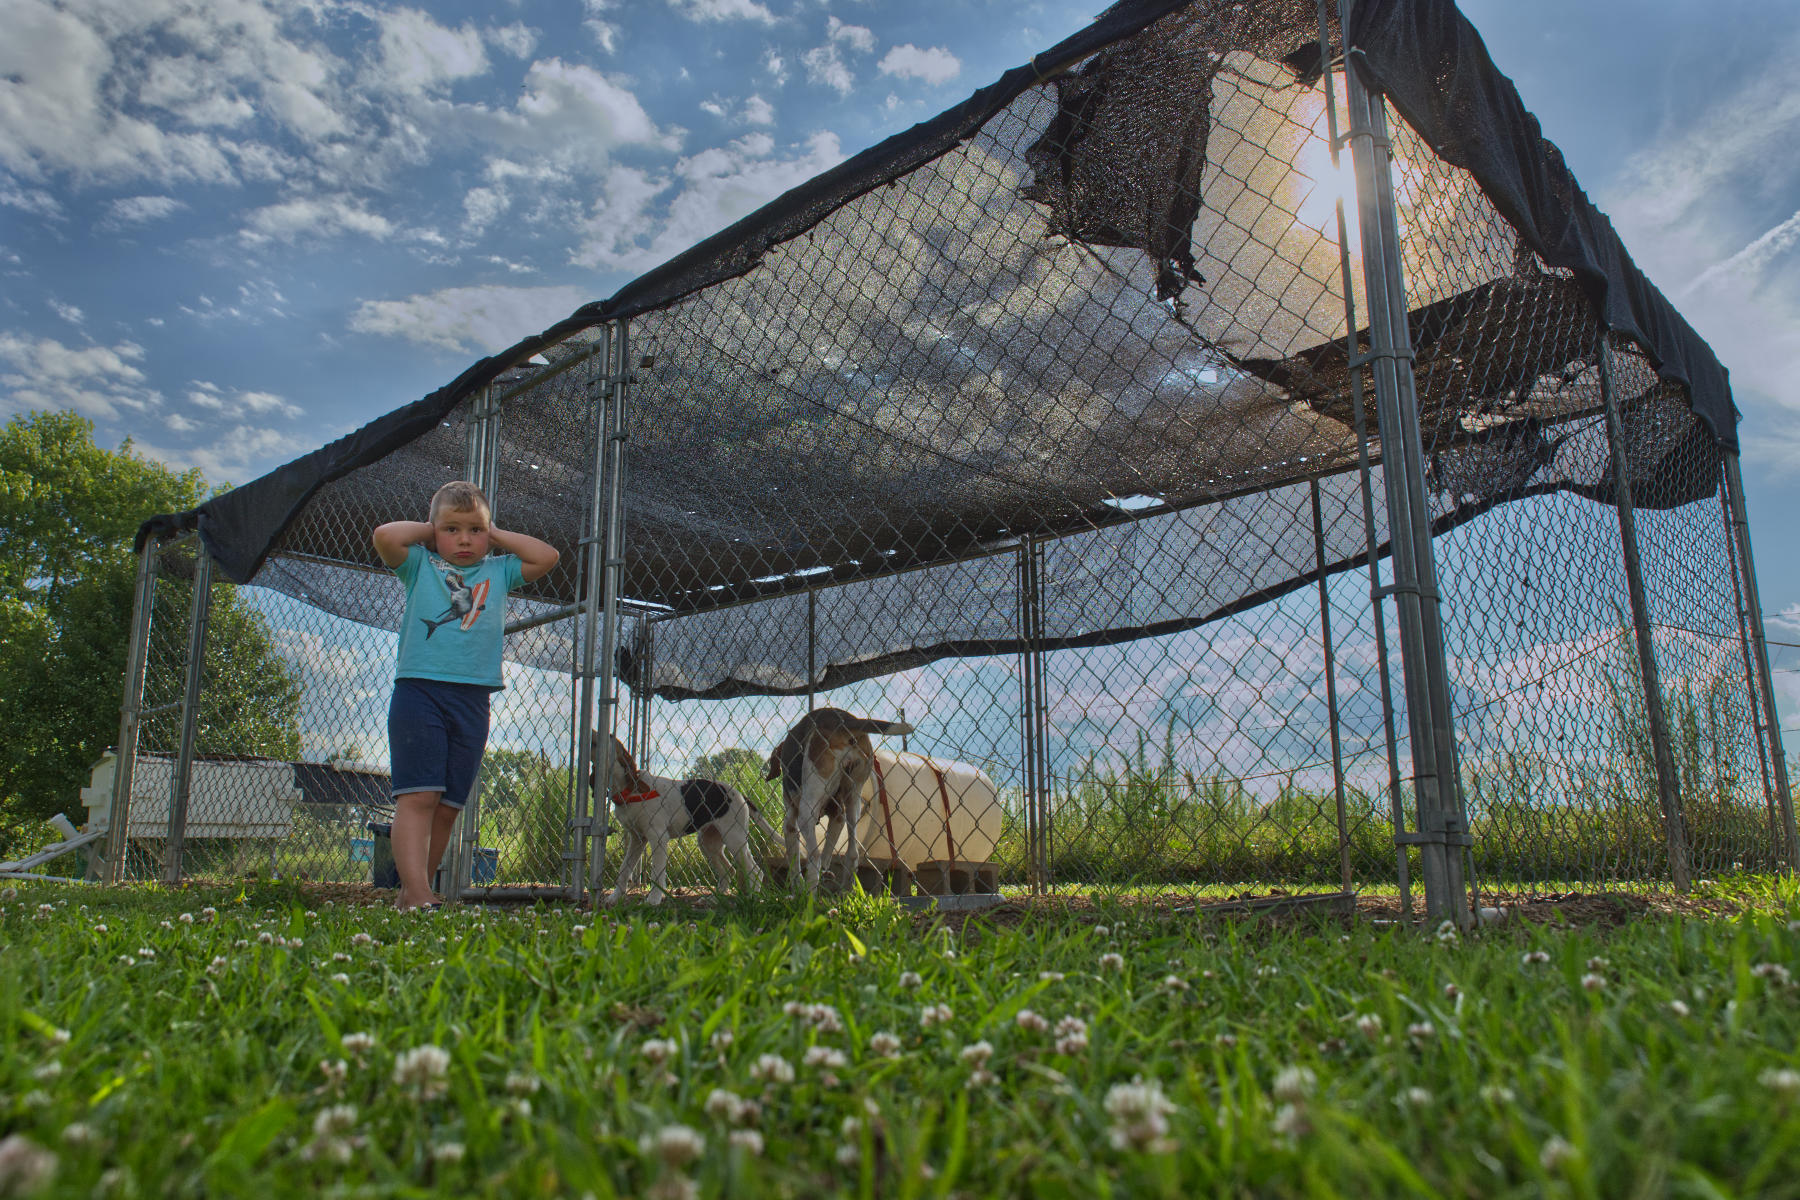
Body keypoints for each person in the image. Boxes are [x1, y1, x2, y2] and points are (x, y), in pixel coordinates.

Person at [372, 481, 559, 910]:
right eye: (452, 529)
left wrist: (492, 533)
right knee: (418, 796)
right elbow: (386, 536)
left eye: (474, 530)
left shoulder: (499, 570)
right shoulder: (419, 564)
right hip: (420, 691)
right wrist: (431, 528)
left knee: (447, 806)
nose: (463, 539)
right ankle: (419, 894)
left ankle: (411, 895)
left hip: (473, 700)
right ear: (435, 531)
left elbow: (546, 557)